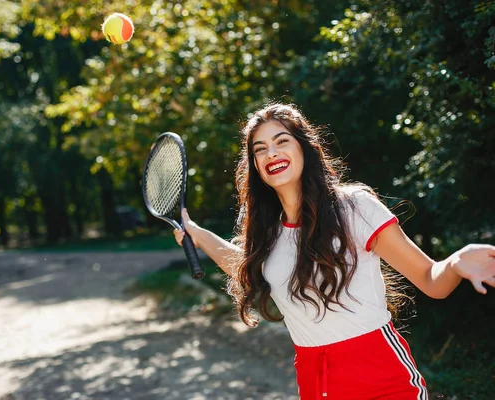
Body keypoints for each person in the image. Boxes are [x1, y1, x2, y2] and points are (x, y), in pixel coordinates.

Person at [173, 102, 495, 400]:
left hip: (382, 379)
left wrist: (454, 262)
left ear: (304, 148)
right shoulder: (268, 232)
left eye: (281, 141)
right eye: (260, 149)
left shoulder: (354, 207)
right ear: (255, 165)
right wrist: (197, 234)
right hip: (316, 384)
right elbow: (244, 264)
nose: (271, 153)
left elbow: (429, 279)